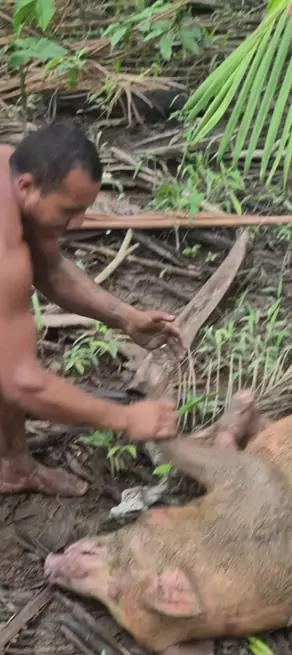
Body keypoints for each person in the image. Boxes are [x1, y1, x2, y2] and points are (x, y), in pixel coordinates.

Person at [0, 121, 184, 497]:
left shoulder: (13, 168)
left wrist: (125, 317)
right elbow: (21, 382)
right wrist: (125, 418)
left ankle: (12, 468)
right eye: (69, 210)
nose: (78, 223)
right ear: (27, 187)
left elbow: (51, 269)